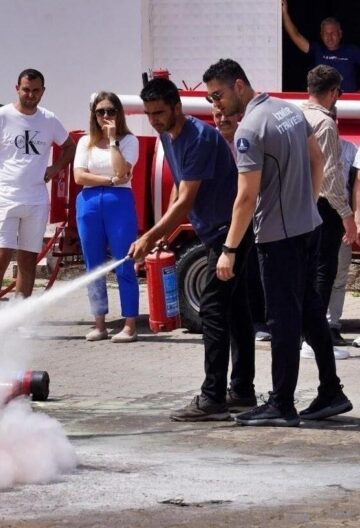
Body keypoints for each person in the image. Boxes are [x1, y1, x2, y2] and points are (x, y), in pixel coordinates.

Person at [205, 58, 352, 426]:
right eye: (210, 99)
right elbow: (316, 158)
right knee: (310, 311)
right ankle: (331, 390)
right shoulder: (289, 110)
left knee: (282, 320)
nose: (215, 105)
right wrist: (309, 203)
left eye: (218, 95)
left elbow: (245, 197)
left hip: (278, 236)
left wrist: (229, 250)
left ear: (239, 85)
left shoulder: (249, 130)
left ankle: (281, 404)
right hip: (306, 228)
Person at [129, 76, 256, 421]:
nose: (154, 119)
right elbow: (178, 189)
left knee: (213, 312)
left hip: (230, 233)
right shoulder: (167, 136)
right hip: (215, 231)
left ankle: (213, 397)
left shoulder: (199, 137)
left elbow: (186, 201)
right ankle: (243, 391)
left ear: (177, 108)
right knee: (237, 311)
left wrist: (149, 236)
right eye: (149, 114)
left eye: (159, 112)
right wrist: (161, 234)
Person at [0, 68, 76, 310]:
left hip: (36, 201)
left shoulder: (49, 119)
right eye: (26, 90)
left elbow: (70, 146)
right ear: (17, 89)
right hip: (5, 198)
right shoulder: (1, 116)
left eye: (35, 91)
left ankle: (18, 318)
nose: (30, 95)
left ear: (42, 91)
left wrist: (55, 168)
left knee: (28, 261)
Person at [300, 65, 356, 361]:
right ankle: (315, 340)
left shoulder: (295, 117)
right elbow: (330, 176)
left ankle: (310, 336)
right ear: (333, 92)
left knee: (309, 273)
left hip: (301, 207)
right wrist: (347, 214)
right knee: (325, 272)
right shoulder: (325, 123)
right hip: (324, 207)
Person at [73, 92, 139, 343]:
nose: (106, 116)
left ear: (119, 113)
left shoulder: (129, 140)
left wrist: (112, 142)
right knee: (94, 265)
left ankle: (129, 324)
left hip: (119, 203)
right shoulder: (85, 142)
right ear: (94, 115)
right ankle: (99, 323)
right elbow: (79, 177)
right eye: (100, 111)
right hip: (89, 203)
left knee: (124, 261)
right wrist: (109, 179)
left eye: (111, 111)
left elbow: (124, 171)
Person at [212, 105, 271, 343]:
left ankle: (258, 321)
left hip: (252, 216)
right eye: (217, 115)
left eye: (226, 114)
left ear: (238, 116)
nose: (222, 119)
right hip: (222, 221)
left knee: (254, 273)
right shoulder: (212, 145)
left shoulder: (247, 139)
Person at [282, 0, 360, 92]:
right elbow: (295, 35)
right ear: (321, 35)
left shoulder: (352, 51)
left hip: (349, 102)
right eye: (326, 34)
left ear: (340, 34)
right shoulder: (317, 50)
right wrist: (284, 12)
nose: (329, 37)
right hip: (323, 101)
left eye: (333, 33)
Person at [328, 138, 358, 345]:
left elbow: (355, 183)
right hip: (314, 216)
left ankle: (331, 325)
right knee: (312, 274)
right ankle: (309, 326)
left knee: (338, 275)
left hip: (341, 217)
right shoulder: (306, 144)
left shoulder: (350, 148)